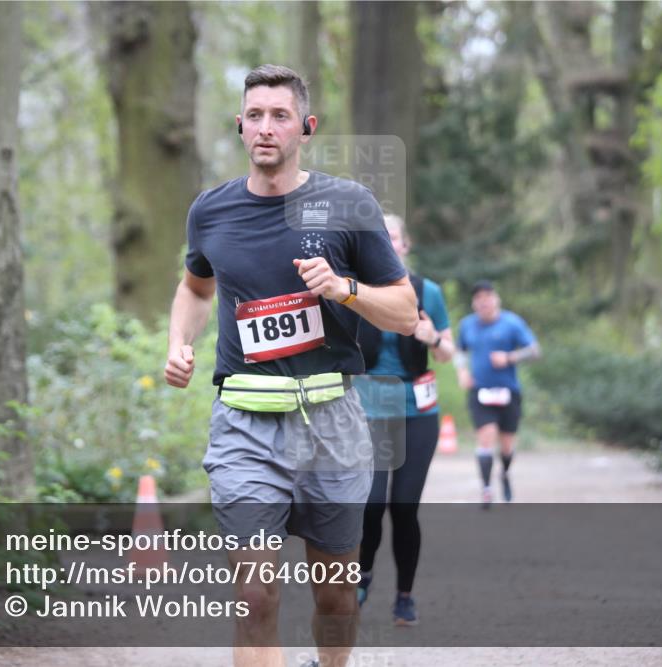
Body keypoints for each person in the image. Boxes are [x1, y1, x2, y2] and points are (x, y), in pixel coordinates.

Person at [163, 64, 418, 667]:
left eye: (280, 116)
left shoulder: (348, 203)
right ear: (240, 126)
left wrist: (343, 289)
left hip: (331, 422)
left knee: (334, 597)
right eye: (255, 116)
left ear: (306, 127)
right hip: (244, 426)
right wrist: (179, 343)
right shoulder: (212, 210)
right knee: (255, 595)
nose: (266, 128)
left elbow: (405, 314)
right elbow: (196, 289)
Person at [354, 214, 454, 627]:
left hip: (417, 413)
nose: (387, 243)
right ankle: (363, 574)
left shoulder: (427, 292)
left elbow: (448, 352)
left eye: (392, 237)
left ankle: (404, 595)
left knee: (404, 507)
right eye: (379, 237)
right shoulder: (354, 290)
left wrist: (433, 338)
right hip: (370, 412)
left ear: (405, 245)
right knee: (370, 505)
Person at [455, 280, 540, 509]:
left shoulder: (512, 323)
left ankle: (505, 473)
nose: (483, 302)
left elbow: (534, 350)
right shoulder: (467, 325)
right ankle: (486, 489)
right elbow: (460, 351)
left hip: (508, 391)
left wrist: (510, 358)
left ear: (496, 299)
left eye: (488, 297)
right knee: (486, 435)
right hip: (480, 391)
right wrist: (462, 372)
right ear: (474, 303)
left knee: (507, 445)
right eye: (478, 298)